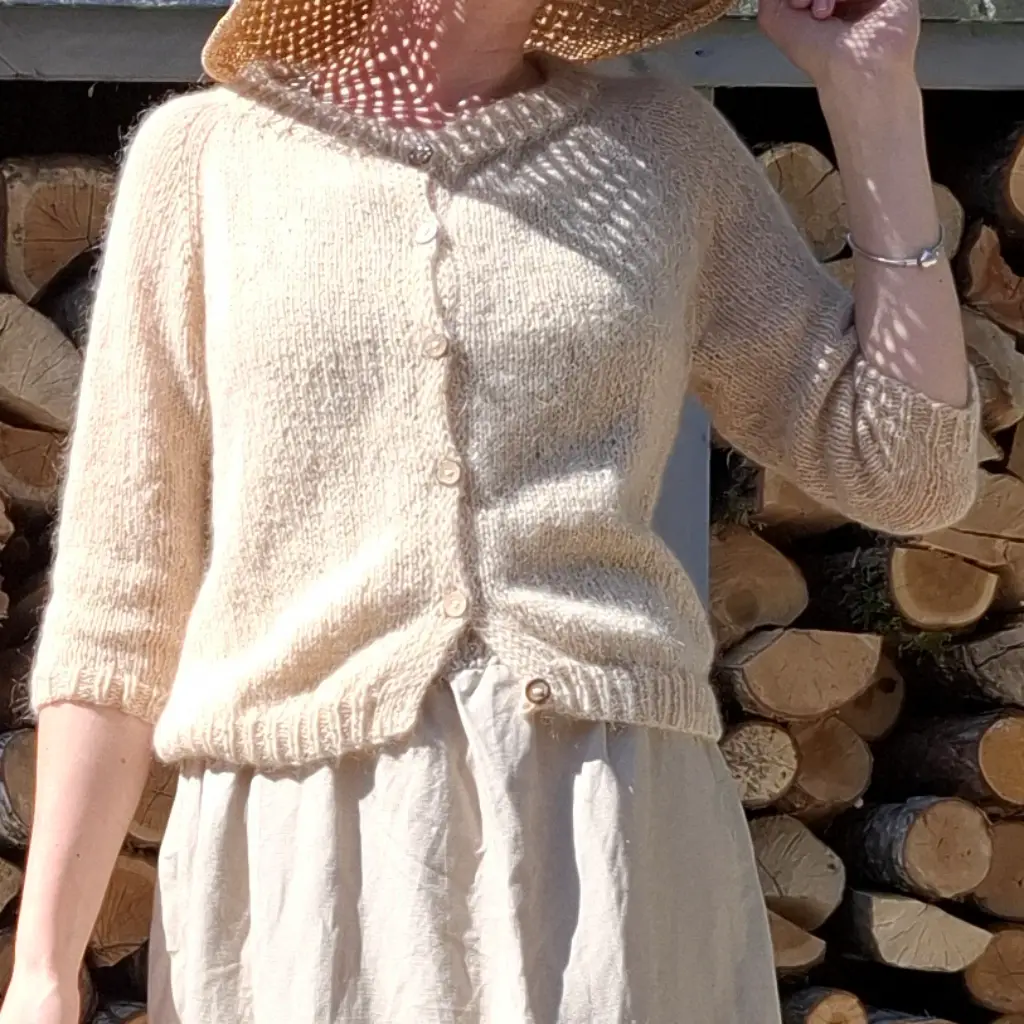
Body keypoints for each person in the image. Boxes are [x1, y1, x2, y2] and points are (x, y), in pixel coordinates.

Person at [0, 0, 979, 1019]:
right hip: (301, 857)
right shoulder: (205, 160)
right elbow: (119, 593)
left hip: (607, 839)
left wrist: (871, 96)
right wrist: (43, 968)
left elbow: (905, 469)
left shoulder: (664, 153)